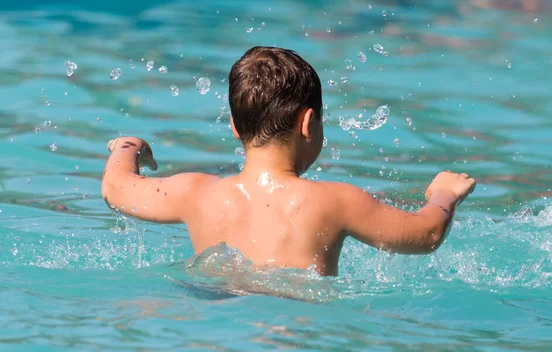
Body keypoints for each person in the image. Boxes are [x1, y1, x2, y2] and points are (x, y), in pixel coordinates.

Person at [102, 46, 476, 276]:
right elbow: (425, 234)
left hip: (212, 305)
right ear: (308, 124)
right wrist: (444, 195)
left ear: (234, 126)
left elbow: (116, 188)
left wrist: (129, 145)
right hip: (296, 319)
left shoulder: (195, 191)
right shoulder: (336, 201)